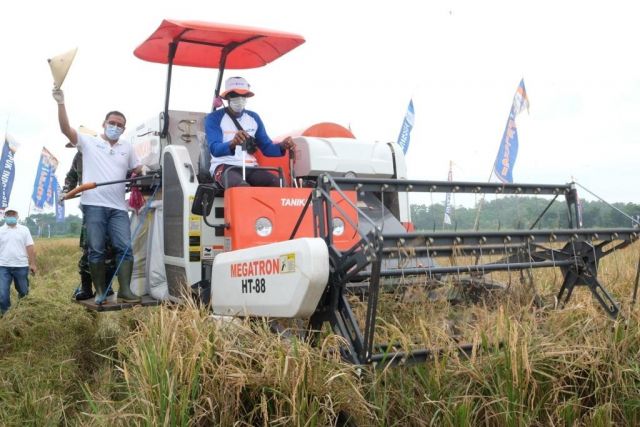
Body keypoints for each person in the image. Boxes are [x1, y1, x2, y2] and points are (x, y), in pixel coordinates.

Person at [53, 88, 142, 303]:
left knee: (125, 248)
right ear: (104, 124)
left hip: (119, 208)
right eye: (112, 123)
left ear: (124, 128)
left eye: (120, 125)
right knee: (95, 250)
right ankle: (100, 291)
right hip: (93, 205)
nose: (115, 127)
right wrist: (61, 103)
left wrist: (141, 172)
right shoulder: (89, 142)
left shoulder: (127, 148)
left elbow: (137, 168)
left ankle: (125, 291)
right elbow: (66, 129)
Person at [205, 76, 296, 188]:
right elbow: (215, 149)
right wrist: (232, 143)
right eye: (235, 95)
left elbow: (267, 147)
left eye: (243, 95)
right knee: (242, 189)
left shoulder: (254, 118)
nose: (240, 99)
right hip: (225, 166)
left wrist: (282, 145)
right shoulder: (214, 118)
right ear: (227, 97)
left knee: (278, 184)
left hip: (251, 167)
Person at [61, 149, 116, 301]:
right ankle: (86, 289)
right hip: (90, 207)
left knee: (110, 250)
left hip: (111, 206)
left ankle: (107, 287)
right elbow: (71, 177)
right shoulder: (79, 156)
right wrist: (65, 192)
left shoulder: (107, 153)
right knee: (89, 248)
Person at [0, 209, 36, 315]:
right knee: (2, 293)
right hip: (3, 266)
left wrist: (33, 263)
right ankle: (6, 315)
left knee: (24, 291)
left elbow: (30, 247)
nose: (11, 216)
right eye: (8, 215)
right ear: (5, 217)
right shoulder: (0, 230)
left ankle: (22, 312)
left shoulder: (24, 230)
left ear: (17, 217)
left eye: (13, 215)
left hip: (21, 265)